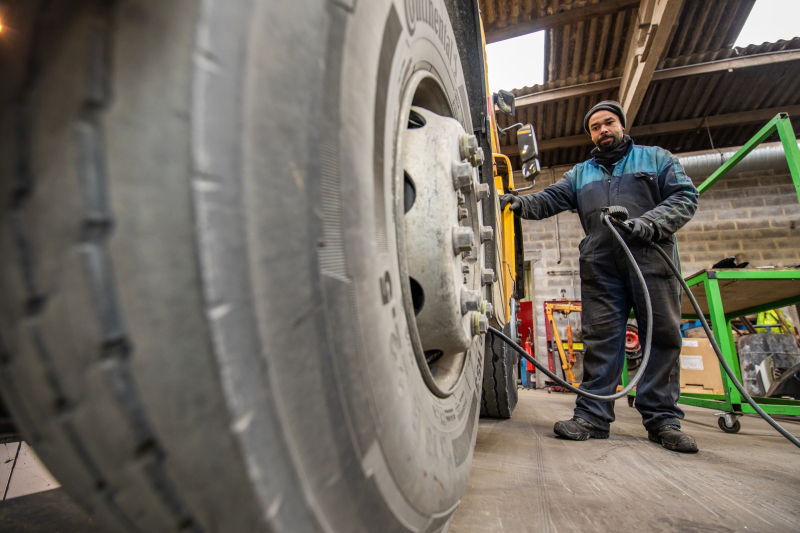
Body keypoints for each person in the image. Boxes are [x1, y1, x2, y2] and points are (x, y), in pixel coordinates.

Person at [501, 100, 700, 453]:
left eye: (608, 123)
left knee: (662, 335)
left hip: (651, 256)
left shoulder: (655, 158)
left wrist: (649, 224)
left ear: (622, 125)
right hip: (601, 265)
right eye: (595, 127)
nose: (603, 130)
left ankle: (663, 420)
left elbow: (685, 196)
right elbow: (549, 199)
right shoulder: (581, 173)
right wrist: (518, 203)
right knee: (600, 339)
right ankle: (592, 416)